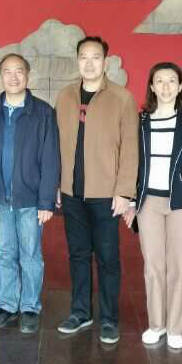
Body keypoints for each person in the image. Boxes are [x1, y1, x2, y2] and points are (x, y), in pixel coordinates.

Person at [55, 36, 139, 344]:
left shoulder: (121, 97)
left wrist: (125, 191)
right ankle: (81, 312)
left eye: (95, 57)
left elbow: (131, 147)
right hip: (72, 192)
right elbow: (56, 143)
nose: (89, 63)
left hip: (106, 194)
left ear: (105, 61)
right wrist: (56, 184)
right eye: (84, 57)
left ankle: (109, 318)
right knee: (78, 254)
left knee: (107, 257)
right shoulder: (65, 96)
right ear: (77, 60)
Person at [0, 53, 60, 334]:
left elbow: (51, 159)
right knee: (5, 253)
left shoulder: (43, 113)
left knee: (30, 254)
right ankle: (8, 305)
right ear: (0, 76)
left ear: (28, 75)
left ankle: (30, 307)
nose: (13, 77)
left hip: (30, 200)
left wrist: (46, 201)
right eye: (7, 72)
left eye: (19, 71)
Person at [128, 61, 182, 350]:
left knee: (178, 265)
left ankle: (175, 327)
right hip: (148, 202)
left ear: (180, 86)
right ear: (152, 87)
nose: (165, 86)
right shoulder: (141, 121)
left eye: (171, 81)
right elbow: (133, 163)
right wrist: (131, 202)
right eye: (159, 81)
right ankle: (157, 325)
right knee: (153, 266)